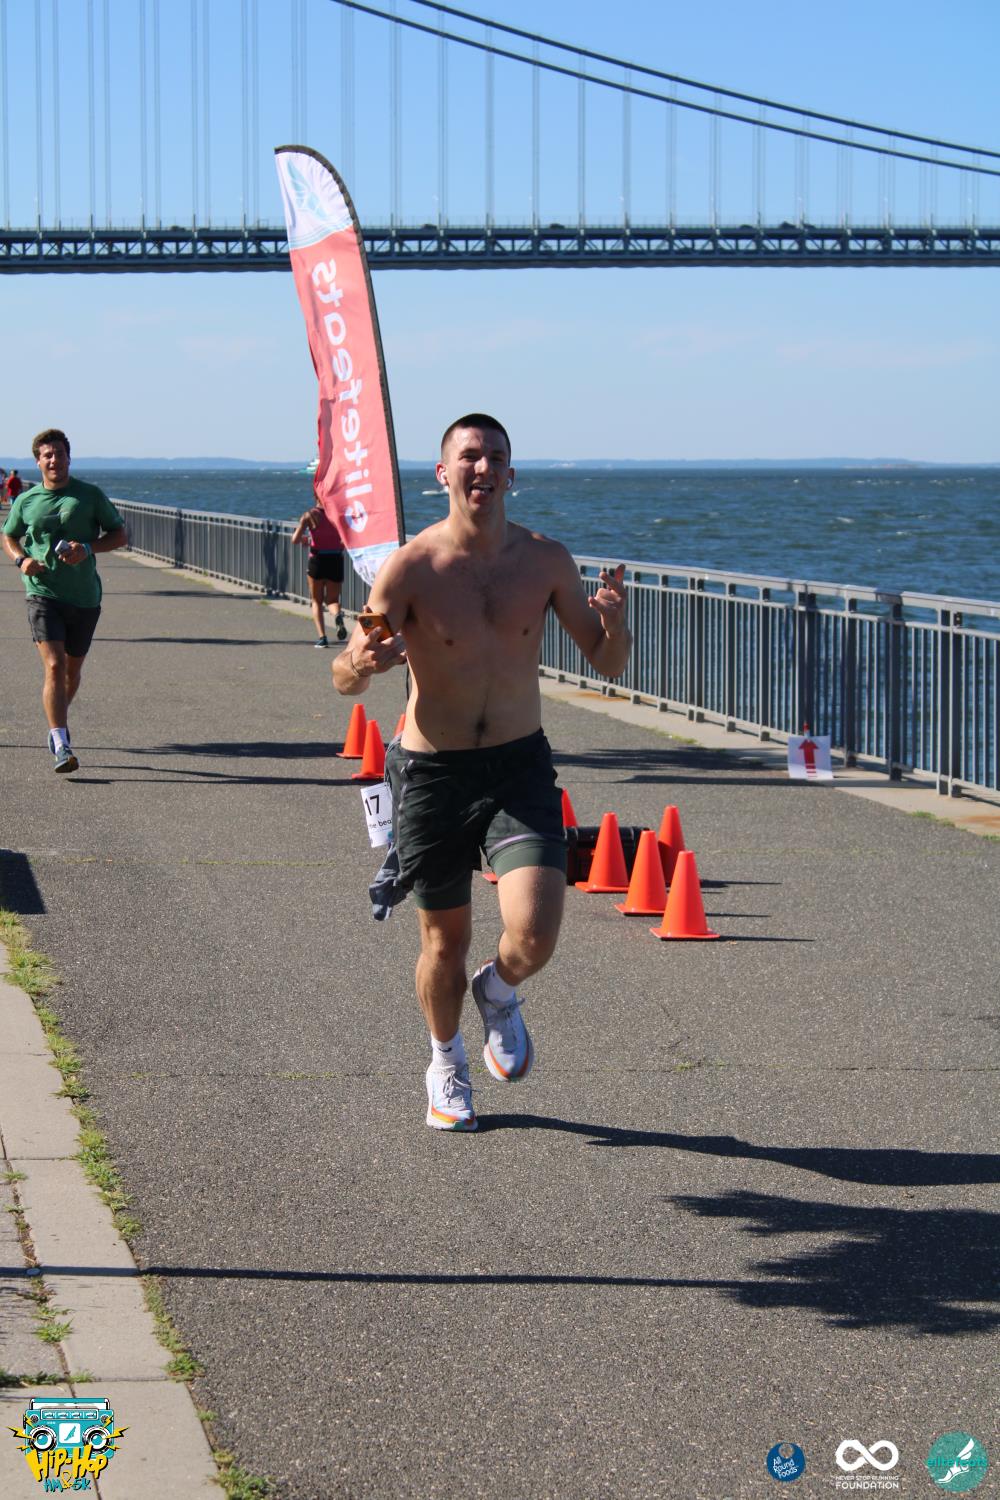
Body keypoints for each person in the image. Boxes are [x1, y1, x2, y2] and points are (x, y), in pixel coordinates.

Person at [332, 414, 631, 1131]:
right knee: (444, 941)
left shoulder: (546, 561)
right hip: (432, 774)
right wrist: (360, 663)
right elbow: (346, 671)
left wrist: (616, 620)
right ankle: (445, 1061)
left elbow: (609, 663)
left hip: (518, 765)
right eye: (469, 455)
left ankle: (497, 989)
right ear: (444, 473)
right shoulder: (411, 568)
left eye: (496, 456)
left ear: (511, 474)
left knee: (535, 934)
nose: (483, 467)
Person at [2, 428, 127, 773]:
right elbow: (8, 535)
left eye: (59, 453)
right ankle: (61, 743)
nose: (54, 459)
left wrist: (87, 548)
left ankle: (55, 721)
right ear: (38, 462)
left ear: (69, 458)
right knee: (55, 666)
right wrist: (21, 560)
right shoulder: (27, 501)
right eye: (47, 455)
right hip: (42, 593)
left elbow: (120, 534)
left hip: (85, 596)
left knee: (72, 672)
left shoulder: (89, 496)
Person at [291, 503, 347, 647]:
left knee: (316, 601)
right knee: (333, 600)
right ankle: (337, 615)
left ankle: (322, 638)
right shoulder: (338, 513)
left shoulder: (309, 515)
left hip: (317, 560)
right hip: (335, 559)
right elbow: (347, 539)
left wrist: (306, 539)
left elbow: (295, 540)